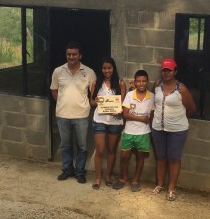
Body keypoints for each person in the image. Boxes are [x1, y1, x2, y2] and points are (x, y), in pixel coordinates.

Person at [50, 41, 96, 184]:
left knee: (82, 146)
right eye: (69, 54)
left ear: (80, 55)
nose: (71, 57)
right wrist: (63, 102)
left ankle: (80, 171)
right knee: (65, 145)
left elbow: (92, 95)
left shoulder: (89, 72)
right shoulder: (58, 71)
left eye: (74, 54)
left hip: (81, 115)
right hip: (63, 115)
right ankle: (67, 170)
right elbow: (54, 90)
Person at [150, 58, 196, 201]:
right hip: (158, 127)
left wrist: (179, 119)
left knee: (174, 159)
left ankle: (171, 188)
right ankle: (159, 184)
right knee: (161, 157)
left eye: (169, 70)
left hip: (177, 130)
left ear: (175, 71)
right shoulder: (157, 84)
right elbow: (153, 103)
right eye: (164, 70)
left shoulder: (181, 89)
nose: (166, 73)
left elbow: (192, 108)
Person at [112, 70, 154, 192]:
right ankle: (123, 178)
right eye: (139, 81)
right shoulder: (130, 95)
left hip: (143, 133)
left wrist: (150, 129)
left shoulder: (152, 97)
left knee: (140, 158)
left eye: (144, 81)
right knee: (124, 156)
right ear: (135, 82)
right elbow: (125, 114)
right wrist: (141, 118)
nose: (141, 83)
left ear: (147, 82)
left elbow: (151, 117)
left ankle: (135, 180)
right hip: (129, 131)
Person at [89, 57, 127, 190]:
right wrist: (98, 101)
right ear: (101, 69)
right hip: (99, 120)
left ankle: (108, 175)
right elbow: (92, 102)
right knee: (100, 149)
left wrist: (120, 109)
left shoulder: (120, 83)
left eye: (109, 68)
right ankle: (98, 177)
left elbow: (123, 104)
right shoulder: (96, 82)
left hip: (114, 122)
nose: (107, 71)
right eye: (104, 68)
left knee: (111, 150)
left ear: (113, 68)